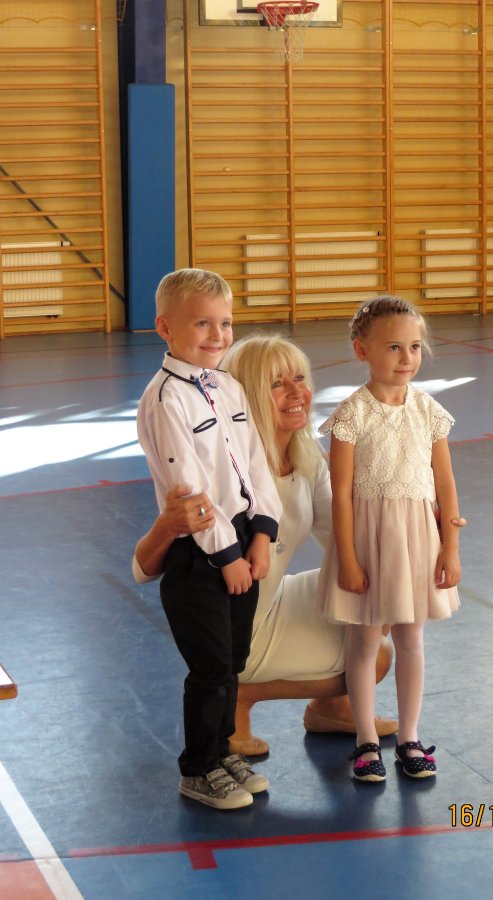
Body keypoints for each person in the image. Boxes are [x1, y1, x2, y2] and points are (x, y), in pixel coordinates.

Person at [134, 334, 397, 758]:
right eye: (276, 384)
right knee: (375, 656)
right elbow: (142, 570)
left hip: (273, 599)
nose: (297, 392)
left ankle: (331, 708)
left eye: (300, 378)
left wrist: (412, 527)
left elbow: (344, 536)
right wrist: (167, 527)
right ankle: (237, 693)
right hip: (236, 623)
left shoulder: (306, 456)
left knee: (378, 590)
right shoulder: (224, 471)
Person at [136, 268, 282, 811]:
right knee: (211, 666)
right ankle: (198, 768)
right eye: (202, 323)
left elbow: (256, 466)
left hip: (243, 543)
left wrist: (262, 534)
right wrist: (226, 557)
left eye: (225, 323)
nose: (218, 335)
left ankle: (223, 753)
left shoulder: (228, 386)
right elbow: (190, 493)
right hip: (200, 554)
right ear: (165, 328)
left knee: (234, 660)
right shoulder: (165, 399)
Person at [317, 295, 465, 783]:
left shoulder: (429, 411)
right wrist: (348, 559)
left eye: (415, 347)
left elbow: (445, 486)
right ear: (362, 350)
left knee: (411, 638)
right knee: (363, 640)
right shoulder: (351, 415)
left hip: (418, 539)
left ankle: (409, 736)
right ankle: (365, 738)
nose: (407, 358)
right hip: (368, 539)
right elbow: (341, 495)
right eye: (394, 347)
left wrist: (450, 547)